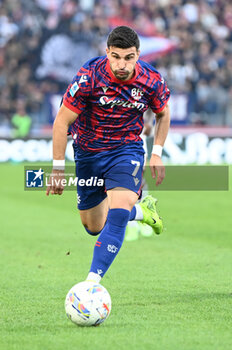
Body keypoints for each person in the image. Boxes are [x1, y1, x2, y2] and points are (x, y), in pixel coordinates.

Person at [46, 26, 170, 284]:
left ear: (138, 54)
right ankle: (142, 212)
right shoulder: (89, 76)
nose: (121, 64)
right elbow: (61, 122)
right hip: (88, 153)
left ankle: (91, 284)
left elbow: (163, 112)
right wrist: (58, 170)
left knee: (119, 208)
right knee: (94, 226)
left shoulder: (151, 80)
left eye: (128, 57)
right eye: (115, 56)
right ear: (107, 53)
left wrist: (156, 153)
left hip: (126, 150)